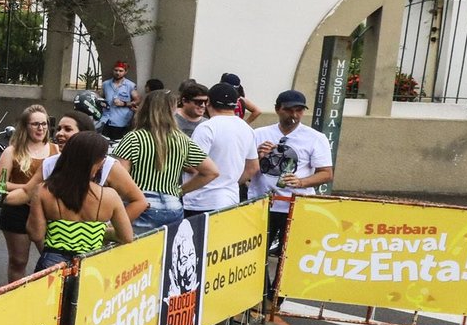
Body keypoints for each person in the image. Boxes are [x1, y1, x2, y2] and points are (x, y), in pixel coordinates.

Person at [251, 89, 334, 279]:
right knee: (256, 254)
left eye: (299, 110)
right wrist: (258, 156)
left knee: (290, 256)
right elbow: (246, 170)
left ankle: (278, 293)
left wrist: (301, 182)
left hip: (296, 205)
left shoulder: (315, 137)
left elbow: (326, 173)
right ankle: (261, 292)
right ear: (277, 109)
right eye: (289, 110)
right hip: (263, 203)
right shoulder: (259, 134)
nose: (294, 115)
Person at [28, 131, 135, 272]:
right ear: (98, 162)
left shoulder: (43, 191)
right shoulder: (110, 197)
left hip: (52, 264)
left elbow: (35, 234)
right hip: (92, 266)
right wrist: (98, 231)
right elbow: (127, 237)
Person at [112, 88, 218, 231]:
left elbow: (120, 178)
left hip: (142, 204)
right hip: (173, 205)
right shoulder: (182, 139)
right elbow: (212, 171)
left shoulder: (134, 138)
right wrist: (180, 191)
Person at [0, 104, 58, 283]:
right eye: (35, 124)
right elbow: (0, 184)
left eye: (44, 124)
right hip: (17, 211)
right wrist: (29, 189)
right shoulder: (12, 151)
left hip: (47, 212)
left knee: (51, 260)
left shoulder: (55, 150)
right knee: (18, 261)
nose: (41, 128)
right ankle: (16, 293)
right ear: (25, 126)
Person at [185, 80, 259, 216]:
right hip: (230, 200)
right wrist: (228, 183)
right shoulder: (247, 128)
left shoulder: (207, 127)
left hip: (200, 201)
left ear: (208, 102)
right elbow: (253, 167)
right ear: (236, 104)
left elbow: (193, 166)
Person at [100, 61, 138, 141]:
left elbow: (137, 100)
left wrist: (124, 104)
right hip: (106, 119)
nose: (118, 73)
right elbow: (100, 97)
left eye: (121, 71)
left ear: (125, 72)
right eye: (116, 70)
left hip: (121, 121)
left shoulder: (130, 85)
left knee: (117, 143)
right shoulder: (106, 84)